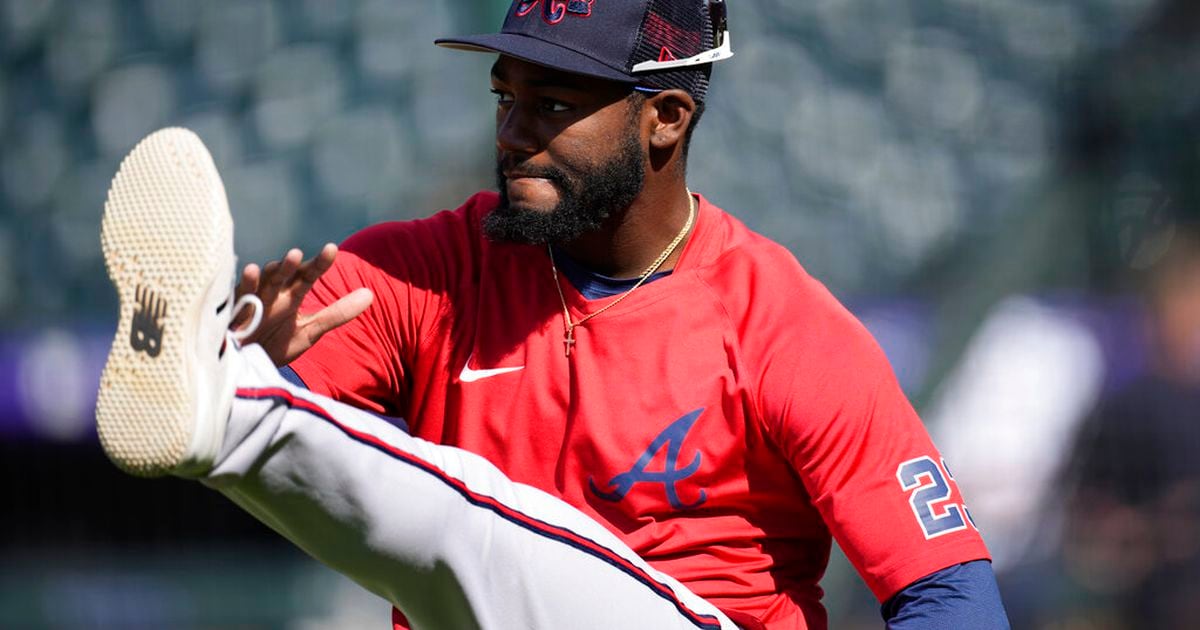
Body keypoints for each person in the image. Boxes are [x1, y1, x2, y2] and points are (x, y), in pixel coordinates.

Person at [95, 1, 1009, 628]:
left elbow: (948, 590)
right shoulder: (428, 269)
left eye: (555, 104)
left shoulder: (779, 323)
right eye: (506, 96)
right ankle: (236, 395)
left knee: (480, 524)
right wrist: (278, 365)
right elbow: (310, 495)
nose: (511, 131)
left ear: (668, 118)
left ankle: (235, 408)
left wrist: (250, 391)